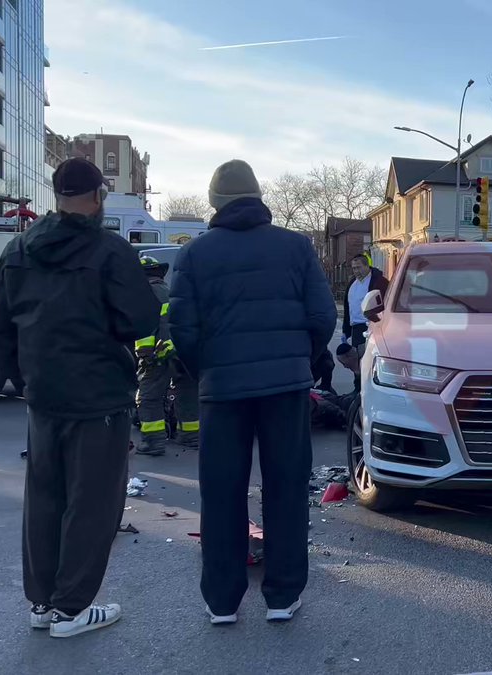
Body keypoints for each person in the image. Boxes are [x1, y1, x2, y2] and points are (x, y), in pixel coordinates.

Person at [0, 158, 160, 638]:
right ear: (98, 196)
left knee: (44, 496)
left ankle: (42, 602)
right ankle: (71, 609)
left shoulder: (19, 249)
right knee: (92, 502)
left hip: (44, 396)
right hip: (99, 397)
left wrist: (25, 380)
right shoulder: (109, 251)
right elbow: (142, 321)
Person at [169, 159, 336, 625]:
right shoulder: (296, 247)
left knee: (222, 493)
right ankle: (282, 596)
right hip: (285, 391)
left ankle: (222, 601)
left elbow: (182, 329)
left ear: (214, 203)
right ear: (259, 197)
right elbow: (323, 317)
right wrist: (299, 358)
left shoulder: (195, 255)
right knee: (285, 488)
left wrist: (210, 369)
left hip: (222, 392)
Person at [134, 255, 200, 456]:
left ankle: (153, 442)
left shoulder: (142, 294)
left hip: (159, 352)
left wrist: (145, 354)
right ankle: (190, 436)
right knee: (187, 391)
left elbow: (142, 327)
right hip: (184, 350)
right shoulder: (170, 292)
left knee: (148, 396)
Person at [341, 253, 388, 392]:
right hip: (356, 327)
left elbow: (387, 304)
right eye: (354, 268)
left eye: (359, 267)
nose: (356, 271)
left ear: (367, 266)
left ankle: (372, 389)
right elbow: (348, 308)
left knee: (370, 361)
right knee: (357, 362)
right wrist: (346, 330)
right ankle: (358, 389)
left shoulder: (379, 282)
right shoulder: (352, 284)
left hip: (373, 326)